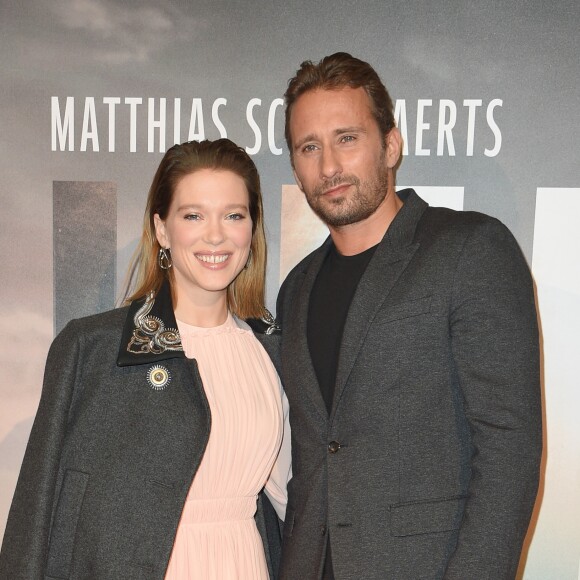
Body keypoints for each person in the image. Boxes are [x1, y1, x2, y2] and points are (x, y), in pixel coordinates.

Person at [276, 52, 541, 579]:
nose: (328, 166)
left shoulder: (470, 250)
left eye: (347, 138)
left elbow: (509, 449)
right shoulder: (295, 289)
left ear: (390, 145)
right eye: (310, 147)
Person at [0, 139, 291, 579]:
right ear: (162, 229)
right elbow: (35, 514)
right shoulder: (93, 349)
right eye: (193, 215)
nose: (216, 235)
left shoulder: (274, 353)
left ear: (252, 229)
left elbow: (299, 502)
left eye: (234, 215)